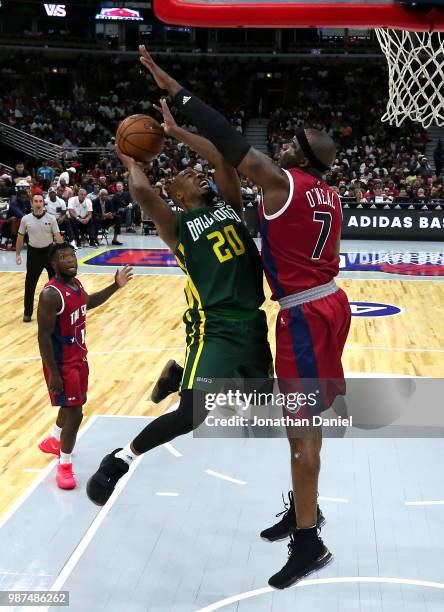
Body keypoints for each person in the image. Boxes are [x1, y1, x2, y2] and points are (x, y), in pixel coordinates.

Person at [138, 46, 351, 589]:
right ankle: (308, 511)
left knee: (301, 432)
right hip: (324, 307)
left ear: (299, 155)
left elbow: (228, 141)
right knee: (301, 425)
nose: (278, 146)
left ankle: (310, 542)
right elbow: (222, 155)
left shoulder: (284, 185)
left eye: (288, 144)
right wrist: (178, 131)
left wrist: (174, 90)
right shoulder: (327, 192)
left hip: (305, 317)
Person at [86, 100, 272, 510]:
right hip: (215, 325)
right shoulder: (178, 228)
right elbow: (140, 191)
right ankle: (121, 458)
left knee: (261, 402)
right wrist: (131, 158)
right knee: (193, 416)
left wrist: (174, 132)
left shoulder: (229, 205)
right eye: (186, 175)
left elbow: (221, 156)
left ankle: (178, 376)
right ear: (177, 195)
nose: (195, 173)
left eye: (194, 170)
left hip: (252, 323)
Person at [37, 242, 133, 489]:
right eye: (63, 257)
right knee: (76, 413)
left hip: (80, 358)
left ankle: (53, 439)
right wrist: (54, 375)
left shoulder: (76, 285)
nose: (70, 260)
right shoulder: (51, 294)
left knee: (74, 406)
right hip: (62, 364)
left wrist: (115, 286)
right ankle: (64, 466)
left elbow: (87, 302)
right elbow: (43, 337)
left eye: (72, 255)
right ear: (54, 264)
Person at [15, 193, 63, 322]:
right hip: (33, 254)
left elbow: (58, 236)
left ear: (43, 203)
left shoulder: (51, 218)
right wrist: (18, 254)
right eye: (35, 201)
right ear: (31, 203)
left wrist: (62, 253)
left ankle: (58, 311)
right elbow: (20, 237)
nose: (38, 203)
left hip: (49, 252)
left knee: (56, 283)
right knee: (30, 284)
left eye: (40, 201)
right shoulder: (25, 219)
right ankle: (27, 313)